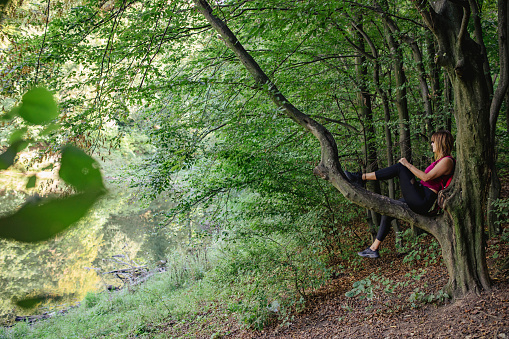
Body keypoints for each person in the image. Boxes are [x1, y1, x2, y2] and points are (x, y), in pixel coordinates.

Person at [345, 130, 455, 258]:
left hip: (423, 199)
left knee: (400, 168)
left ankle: (360, 177)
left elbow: (426, 177)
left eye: (433, 142)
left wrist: (408, 165)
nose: (431, 144)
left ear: (441, 142)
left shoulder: (447, 161)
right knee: (389, 210)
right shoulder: (440, 161)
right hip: (420, 194)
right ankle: (373, 248)